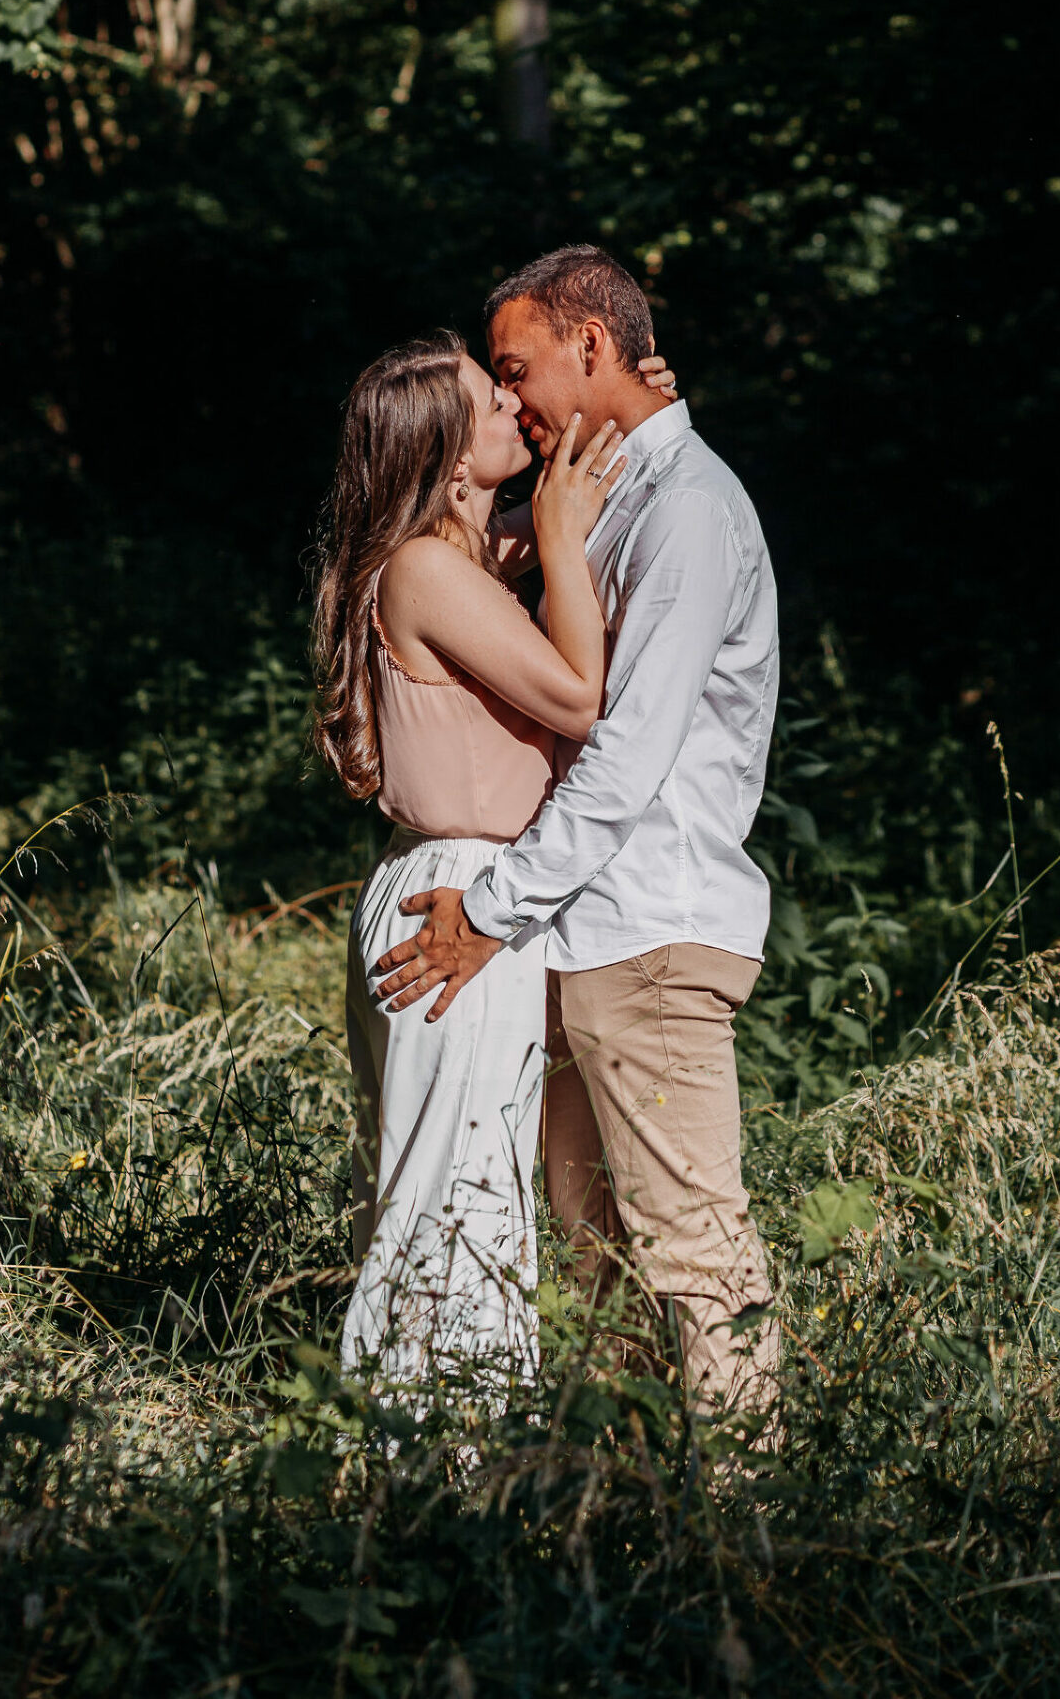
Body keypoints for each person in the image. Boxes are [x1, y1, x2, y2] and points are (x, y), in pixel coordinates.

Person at [375, 247, 781, 1416]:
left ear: (589, 349)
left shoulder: (689, 512)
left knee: (694, 1257)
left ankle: (752, 1545)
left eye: (518, 370)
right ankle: (622, 1535)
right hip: (576, 934)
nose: (512, 401)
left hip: (646, 934)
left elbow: (625, 758)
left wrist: (487, 917)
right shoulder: (599, 497)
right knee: (592, 1270)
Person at [311, 329, 673, 1385]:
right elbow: (574, 696)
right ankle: (425, 1460)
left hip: (462, 887)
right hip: (457, 898)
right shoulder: (426, 568)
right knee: (450, 1193)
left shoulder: (455, 555)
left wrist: (619, 406)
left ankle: (455, 1455)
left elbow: (565, 504)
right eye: (489, 397)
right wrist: (561, 544)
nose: (516, 405)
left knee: (472, 1187)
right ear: (448, 456)